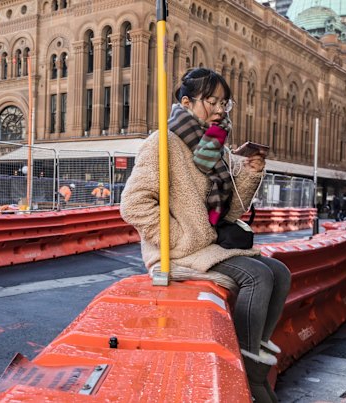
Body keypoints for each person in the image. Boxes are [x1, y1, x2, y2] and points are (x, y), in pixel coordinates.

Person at [120, 68, 290, 403]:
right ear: (186, 102)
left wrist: (251, 172)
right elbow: (133, 204)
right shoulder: (162, 142)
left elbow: (229, 213)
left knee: (280, 273)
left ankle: (254, 352)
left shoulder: (216, 146)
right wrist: (179, 238)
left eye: (224, 103)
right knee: (257, 276)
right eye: (211, 101)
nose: (219, 109)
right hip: (178, 251)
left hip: (208, 246)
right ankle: (249, 372)